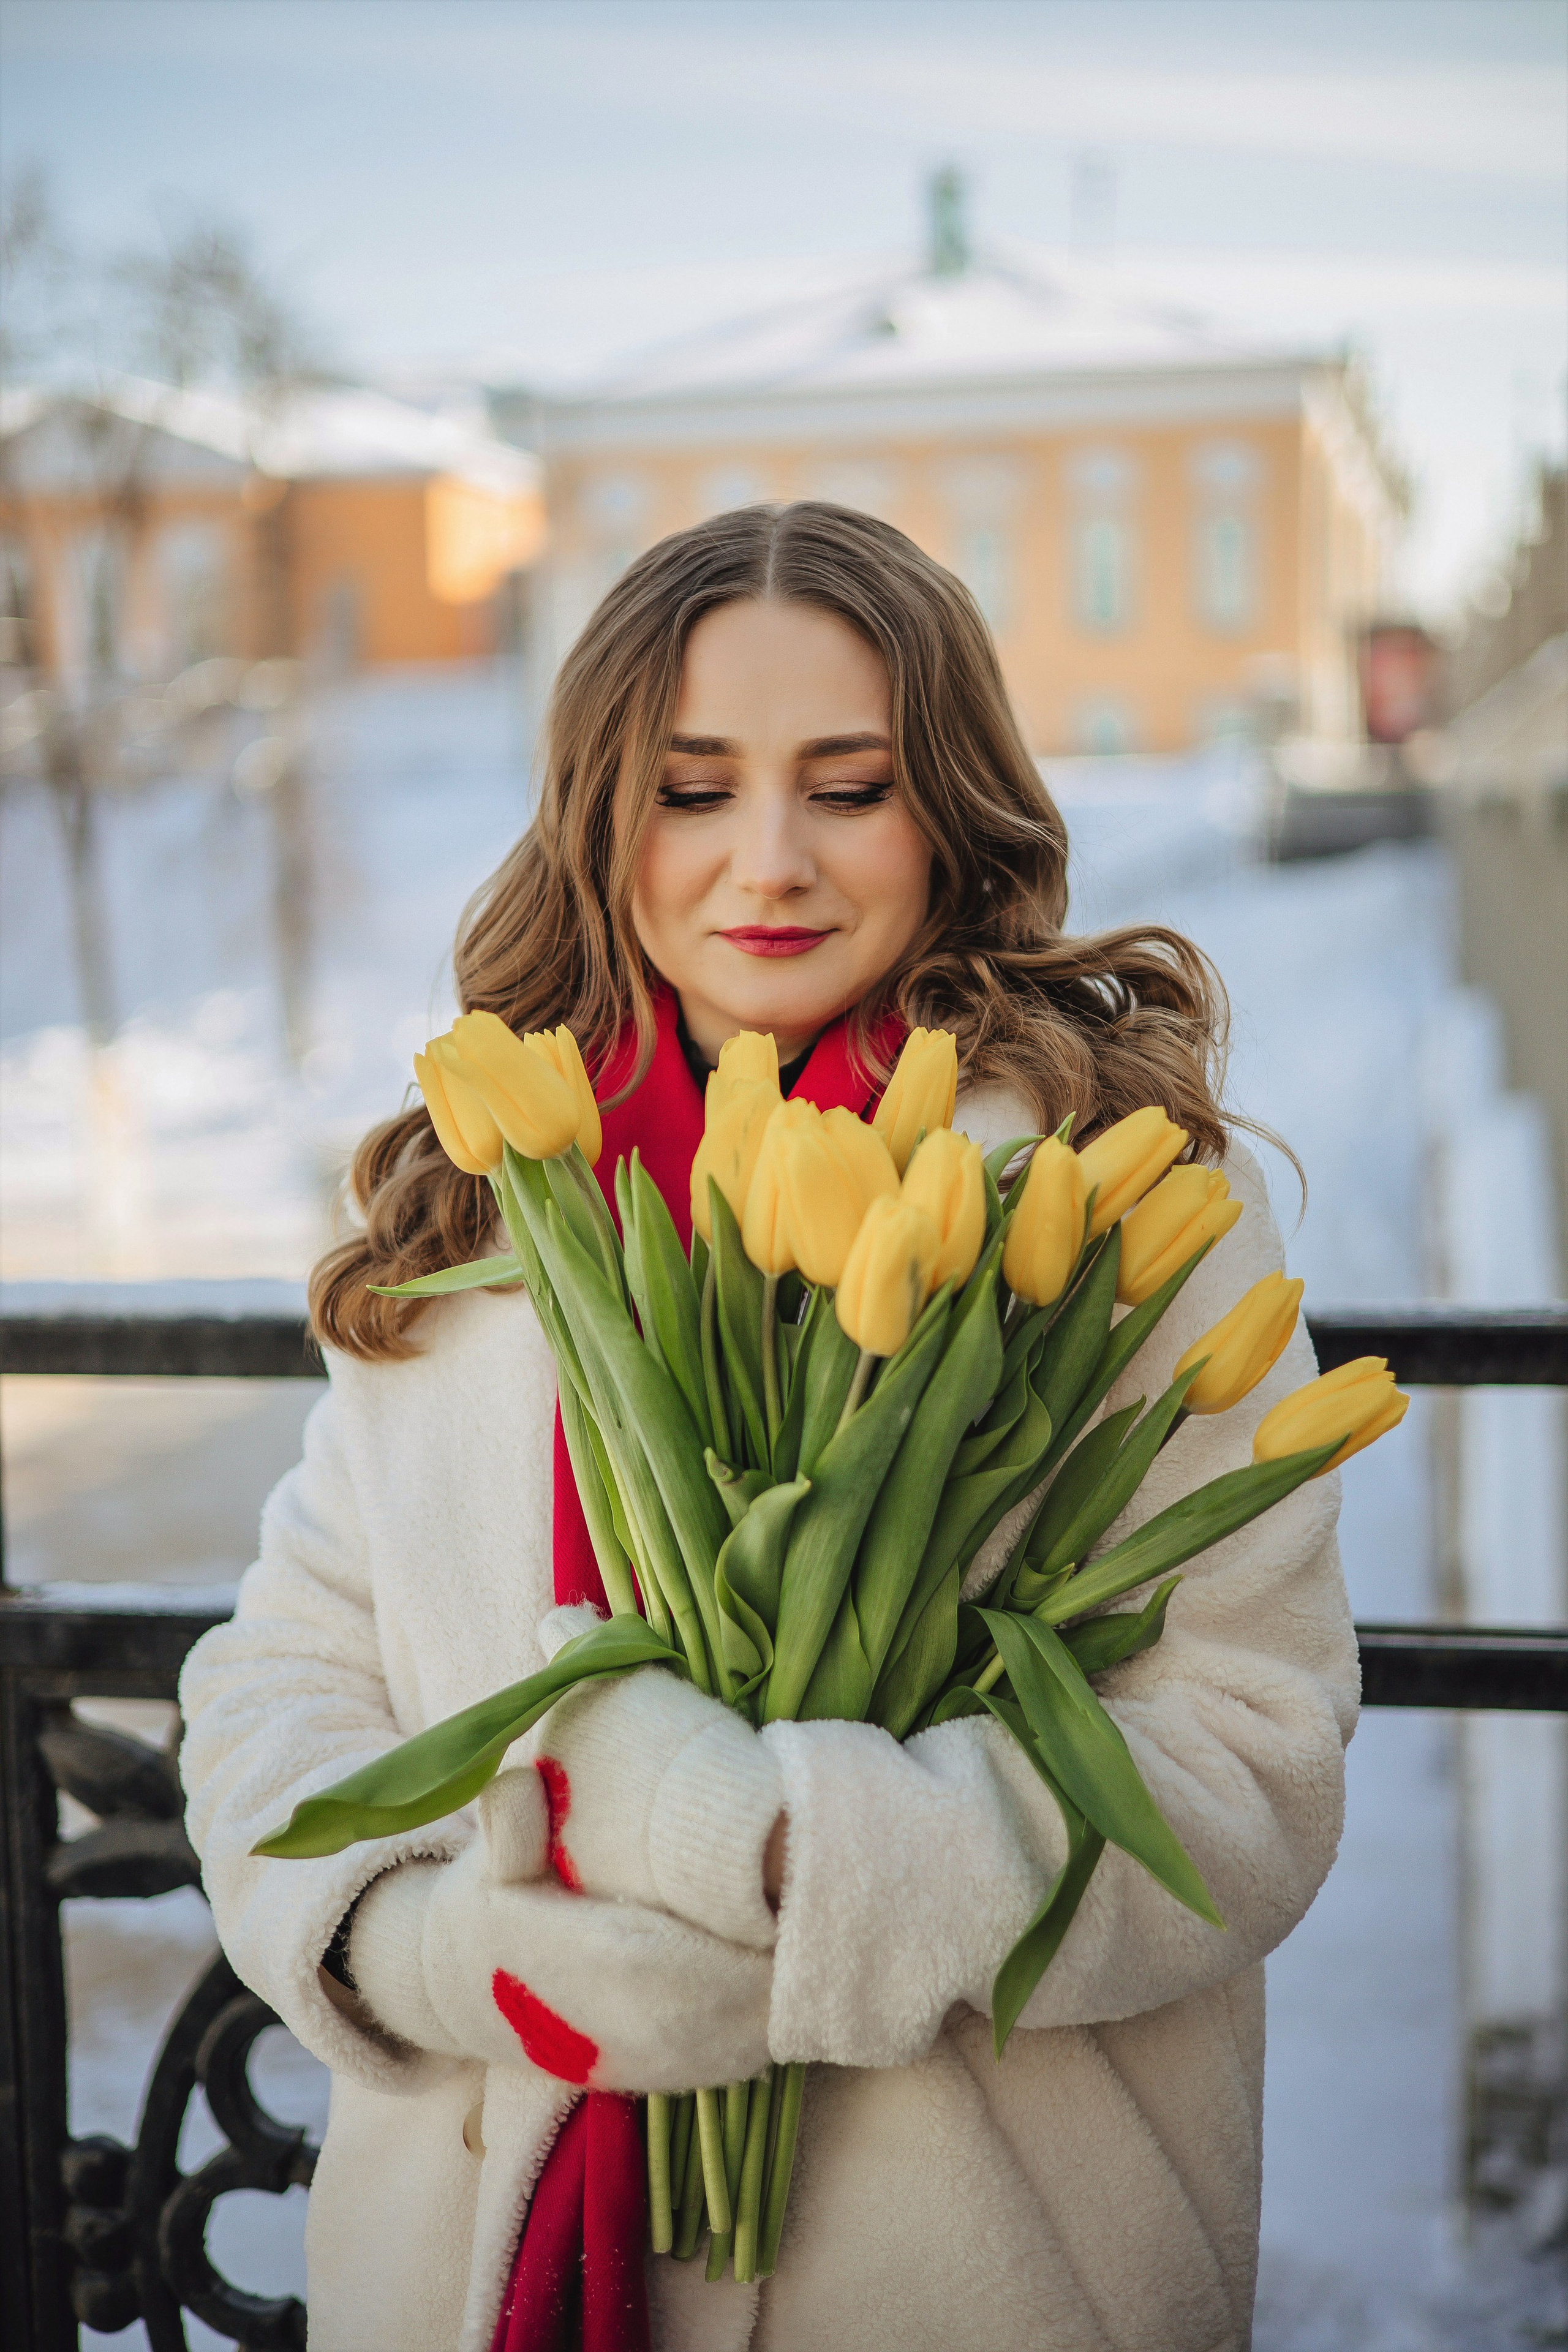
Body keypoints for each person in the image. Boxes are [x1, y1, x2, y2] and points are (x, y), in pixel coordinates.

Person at [180, 502, 1356, 2352]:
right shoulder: (487, 1199)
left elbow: (1246, 1771)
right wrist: (433, 1952)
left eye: (850, 785)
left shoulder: (1108, 1200)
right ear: (600, 813)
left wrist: (773, 1849)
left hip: (978, 2268)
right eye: (697, 787)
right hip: (467, 2256)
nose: (769, 863)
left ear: (949, 809)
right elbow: (283, 1675)